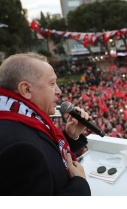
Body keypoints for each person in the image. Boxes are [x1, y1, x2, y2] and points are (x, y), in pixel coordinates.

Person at [0, 53, 91, 196]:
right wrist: (80, 183)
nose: (58, 91)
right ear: (26, 90)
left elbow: (43, 158)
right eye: (52, 84)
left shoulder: (19, 119)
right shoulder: (18, 148)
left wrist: (71, 136)